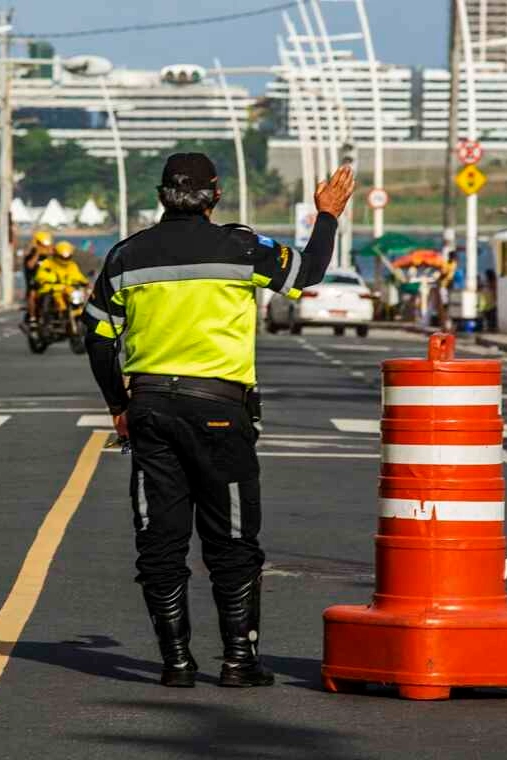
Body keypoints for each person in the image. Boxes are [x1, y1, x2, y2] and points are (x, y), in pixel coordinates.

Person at [83, 153, 354, 688]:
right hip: (220, 413)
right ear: (216, 196)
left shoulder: (125, 256)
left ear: (162, 196)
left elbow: (97, 340)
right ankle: (238, 660)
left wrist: (119, 406)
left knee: (160, 541)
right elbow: (310, 272)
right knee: (231, 539)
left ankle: (176, 662)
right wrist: (327, 213)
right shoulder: (242, 248)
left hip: (151, 409)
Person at [34, 241, 89, 315]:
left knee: (79, 301)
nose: (65, 259)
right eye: (62, 257)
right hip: (51, 290)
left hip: (68, 290)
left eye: (67, 257)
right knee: (46, 301)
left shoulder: (72, 265)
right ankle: (46, 320)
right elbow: (41, 276)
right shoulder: (48, 263)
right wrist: (51, 280)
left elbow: (78, 276)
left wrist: (85, 282)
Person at [24, 231, 54, 322]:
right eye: (42, 245)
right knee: (32, 295)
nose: (44, 247)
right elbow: (30, 266)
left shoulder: (52, 256)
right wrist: (38, 252)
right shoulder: (31, 255)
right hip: (36, 284)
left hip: (51, 284)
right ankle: (33, 317)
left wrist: (51, 252)